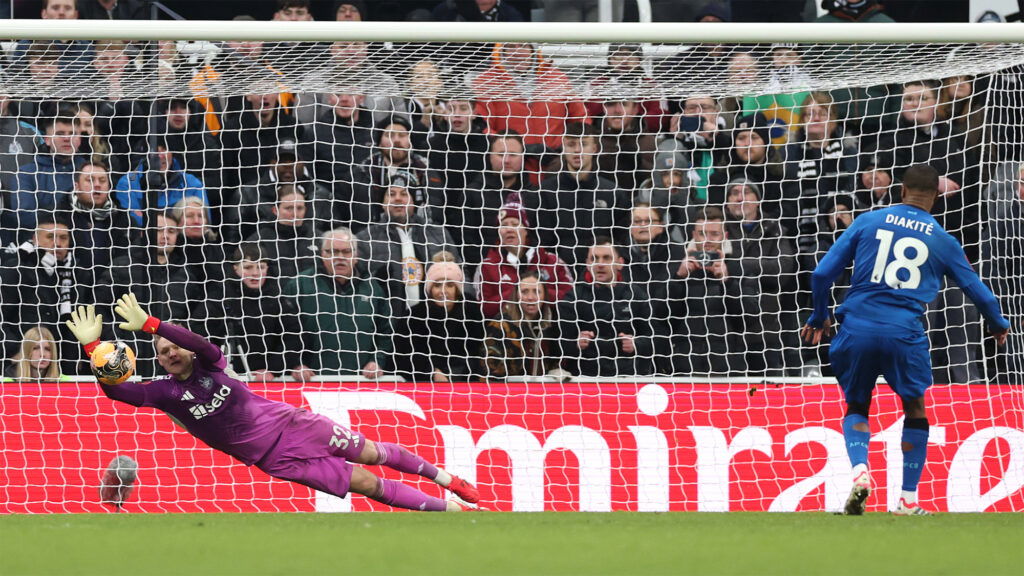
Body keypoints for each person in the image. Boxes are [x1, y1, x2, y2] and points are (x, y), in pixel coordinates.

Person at [64, 298, 482, 512]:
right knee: (368, 486)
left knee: (374, 452)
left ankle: (448, 479)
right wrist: (93, 347)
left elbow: (202, 342)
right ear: (156, 361)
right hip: (276, 459)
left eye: (174, 347)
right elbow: (118, 393)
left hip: (296, 424)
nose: (171, 353)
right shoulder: (164, 393)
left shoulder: (212, 364)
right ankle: (452, 510)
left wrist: (155, 325)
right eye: (162, 351)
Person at [802, 164, 1010, 516]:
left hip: (858, 328)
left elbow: (822, 272)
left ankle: (860, 471)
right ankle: (907, 500)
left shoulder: (868, 221)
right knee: (914, 408)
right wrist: (998, 323)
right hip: (904, 333)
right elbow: (978, 292)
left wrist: (819, 314)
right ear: (937, 197)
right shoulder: (942, 239)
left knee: (857, 405)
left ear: (901, 191)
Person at [393, 260, 485, 383]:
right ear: (430, 290)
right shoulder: (414, 317)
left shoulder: (472, 313)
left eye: (449, 285)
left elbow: (478, 352)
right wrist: (432, 372)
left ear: (457, 290)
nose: (443, 291)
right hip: (425, 386)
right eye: (437, 285)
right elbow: (402, 356)